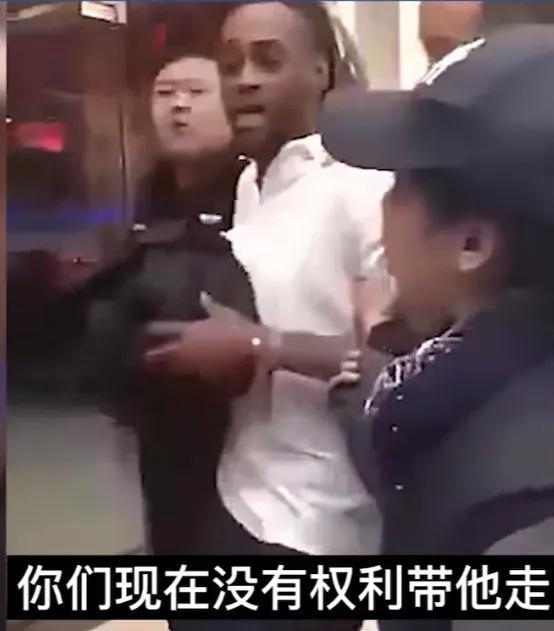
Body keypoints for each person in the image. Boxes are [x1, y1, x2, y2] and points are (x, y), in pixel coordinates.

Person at [146, 3, 391, 627]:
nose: (244, 80)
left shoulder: (364, 187)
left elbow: (399, 367)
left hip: (317, 527)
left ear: (320, 70)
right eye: (230, 65)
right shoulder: (251, 183)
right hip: (236, 495)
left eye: (268, 60)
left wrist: (262, 346)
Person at [322, 24, 554, 631]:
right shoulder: (446, 393)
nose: (382, 209)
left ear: (471, 243)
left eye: (401, 185)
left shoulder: (519, 516)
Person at [81, 41, 257, 557]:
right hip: (160, 424)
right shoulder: (148, 191)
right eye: (165, 93)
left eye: (196, 92)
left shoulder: (254, 189)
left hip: (242, 427)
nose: (178, 105)